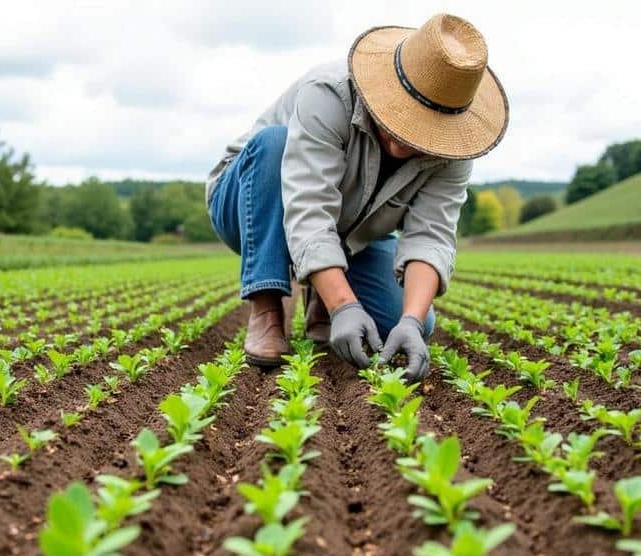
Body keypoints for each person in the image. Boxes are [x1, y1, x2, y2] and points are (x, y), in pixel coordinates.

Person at [206, 13, 509, 380]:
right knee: (274, 143)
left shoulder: (454, 152)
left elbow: (432, 235)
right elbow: (308, 209)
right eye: (401, 116)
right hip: (249, 203)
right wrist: (345, 305)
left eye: (422, 129)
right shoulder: (328, 93)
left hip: (353, 234)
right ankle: (267, 307)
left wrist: (411, 321)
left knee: (409, 319)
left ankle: (323, 296)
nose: (402, 140)